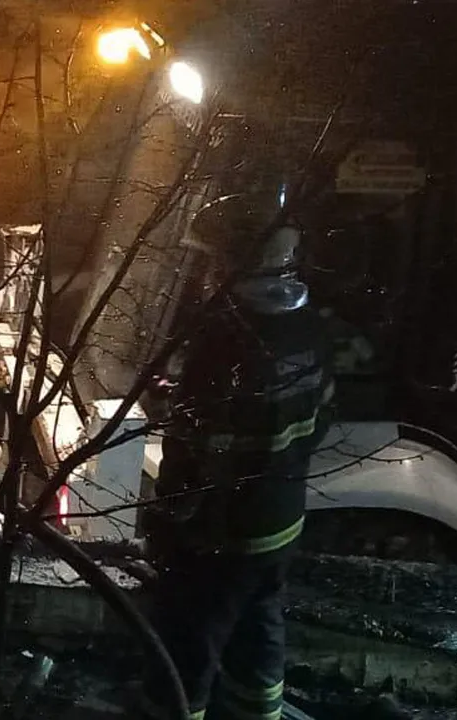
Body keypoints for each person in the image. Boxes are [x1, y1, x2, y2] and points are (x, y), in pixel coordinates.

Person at [143, 225, 334, 720]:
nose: (207, 275)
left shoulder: (225, 341)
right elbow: (318, 419)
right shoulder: (310, 328)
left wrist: (170, 520)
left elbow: (196, 450)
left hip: (221, 529)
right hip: (281, 519)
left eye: (213, 263)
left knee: (190, 641)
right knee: (258, 625)